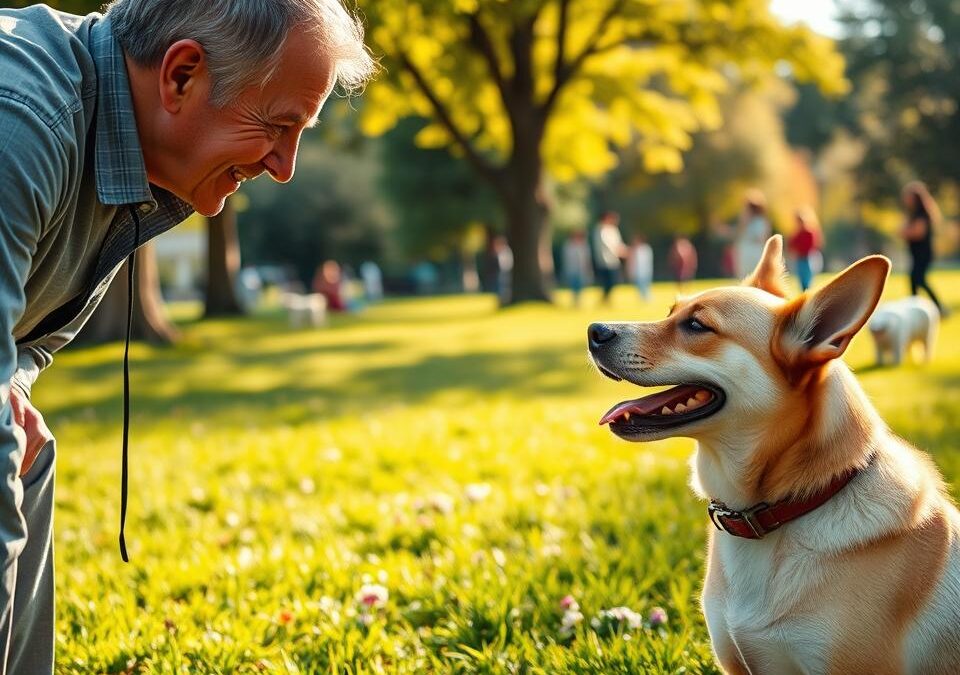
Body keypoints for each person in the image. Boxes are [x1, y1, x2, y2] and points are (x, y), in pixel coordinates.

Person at [0, 1, 374, 671]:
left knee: (22, 442)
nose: (285, 166)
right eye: (277, 125)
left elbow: (29, 338)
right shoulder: (21, 123)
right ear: (181, 76)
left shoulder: (132, 151)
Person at [900, 181, 946, 316]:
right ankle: (914, 308)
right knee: (915, 280)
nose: (905, 200)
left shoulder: (921, 215)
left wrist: (905, 232)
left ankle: (938, 307)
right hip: (916, 254)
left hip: (923, 254)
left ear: (915, 198)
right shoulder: (913, 214)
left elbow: (918, 233)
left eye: (908, 197)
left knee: (919, 280)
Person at [735, 189, 771, 278]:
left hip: (755, 249)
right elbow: (739, 233)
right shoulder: (746, 220)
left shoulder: (762, 221)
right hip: (746, 249)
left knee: (755, 274)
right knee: (745, 275)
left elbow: (764, 237)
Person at [592, 211, 627, 303]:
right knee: (608, 281)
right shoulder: (600, 229)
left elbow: (618, 243)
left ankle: (606, 298)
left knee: (614, 280)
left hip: (613, 260)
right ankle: (605, 298)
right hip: (604, 261)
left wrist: (624, 250)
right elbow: (607, 245)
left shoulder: (613, 230)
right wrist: (620, 252)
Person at [787, 206, 823, 292]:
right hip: (800, 259)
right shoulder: (797, 234)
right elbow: (791, 245)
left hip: (808, 258)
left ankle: (807, 294)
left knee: (807, 280)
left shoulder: (809, 232)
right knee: (802, 280)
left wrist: (798, 250)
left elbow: (811, 246)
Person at [562, 230, 593, 307]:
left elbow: (586, 259)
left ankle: (578, 301)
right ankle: (575, 301)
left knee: (580, 286)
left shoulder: (584, 246)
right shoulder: (568, 246)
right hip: (572, 270)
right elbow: (567, 259)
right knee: (574, 286)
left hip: (581, 270)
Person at [627, 234, 654, 301]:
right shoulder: (634, 249)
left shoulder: (646, 249)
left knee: (645, 285)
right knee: (639, 286)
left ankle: (646, 298)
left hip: (645, 271)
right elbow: (631, 262)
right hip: (637, 272)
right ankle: (643, 298)